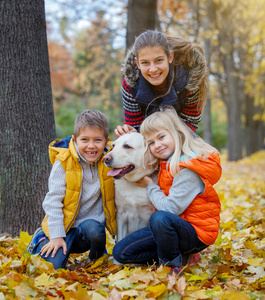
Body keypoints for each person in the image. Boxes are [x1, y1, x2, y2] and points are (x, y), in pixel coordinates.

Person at [112, 106, 221, 273]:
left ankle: (172, 266)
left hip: (196, 233)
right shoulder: (165, 164)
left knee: (160, 217)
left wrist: (150, 185)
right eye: (151, 143)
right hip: (171, 230)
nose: (157, 145)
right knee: (121, 253)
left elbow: (170, 209)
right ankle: (177, 255)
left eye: (161, 137)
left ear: (177, 133)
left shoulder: (188, 169)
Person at [27, 110, 116, 269]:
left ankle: (96, 259)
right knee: (52, 269)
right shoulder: (64, 163)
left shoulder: (111, 160)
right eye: (84, 140)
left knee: (95, 228)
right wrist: (56, 236)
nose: (91, 146)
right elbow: (53, 201)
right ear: (74, 140)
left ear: (106, 141)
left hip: (88, 231)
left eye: (97, 140)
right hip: (63, 228)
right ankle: (40, 240)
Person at [114, 30, 208, 137]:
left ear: (170, 57)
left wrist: (168, 142)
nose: (153, 69)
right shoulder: (130, 84)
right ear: (137, 63)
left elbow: (190, 123)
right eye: (145, 62)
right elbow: (135, 125)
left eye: (159, 60)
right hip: (148, 136)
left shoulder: (190, 81)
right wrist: (132, 133)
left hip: (181, 134)